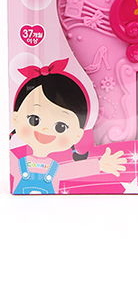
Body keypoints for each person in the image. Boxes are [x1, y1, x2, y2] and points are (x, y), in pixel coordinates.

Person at [10, 59, 126, 194]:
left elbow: (74, 170)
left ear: (78, 134)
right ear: (15, 118)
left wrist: (100, 165)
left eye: (60, 127)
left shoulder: (56, 169)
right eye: (34, 120)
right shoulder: (17, 164)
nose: (45, 130)